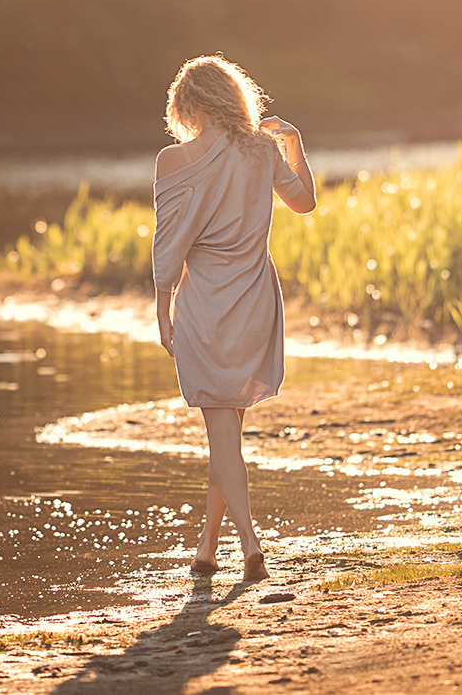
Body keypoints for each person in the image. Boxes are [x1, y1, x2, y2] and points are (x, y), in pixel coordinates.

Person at [152, 54, 316, 582]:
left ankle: (250, 549)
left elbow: (168, 246)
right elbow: (306, 203)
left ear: (191, 105)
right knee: (226, 435)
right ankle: (205, 551)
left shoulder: (172, 161)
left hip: (204, 307)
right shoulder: (262, 151)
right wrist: (294, 143)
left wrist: (161, 309)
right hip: (254, 301)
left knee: (221, 432)